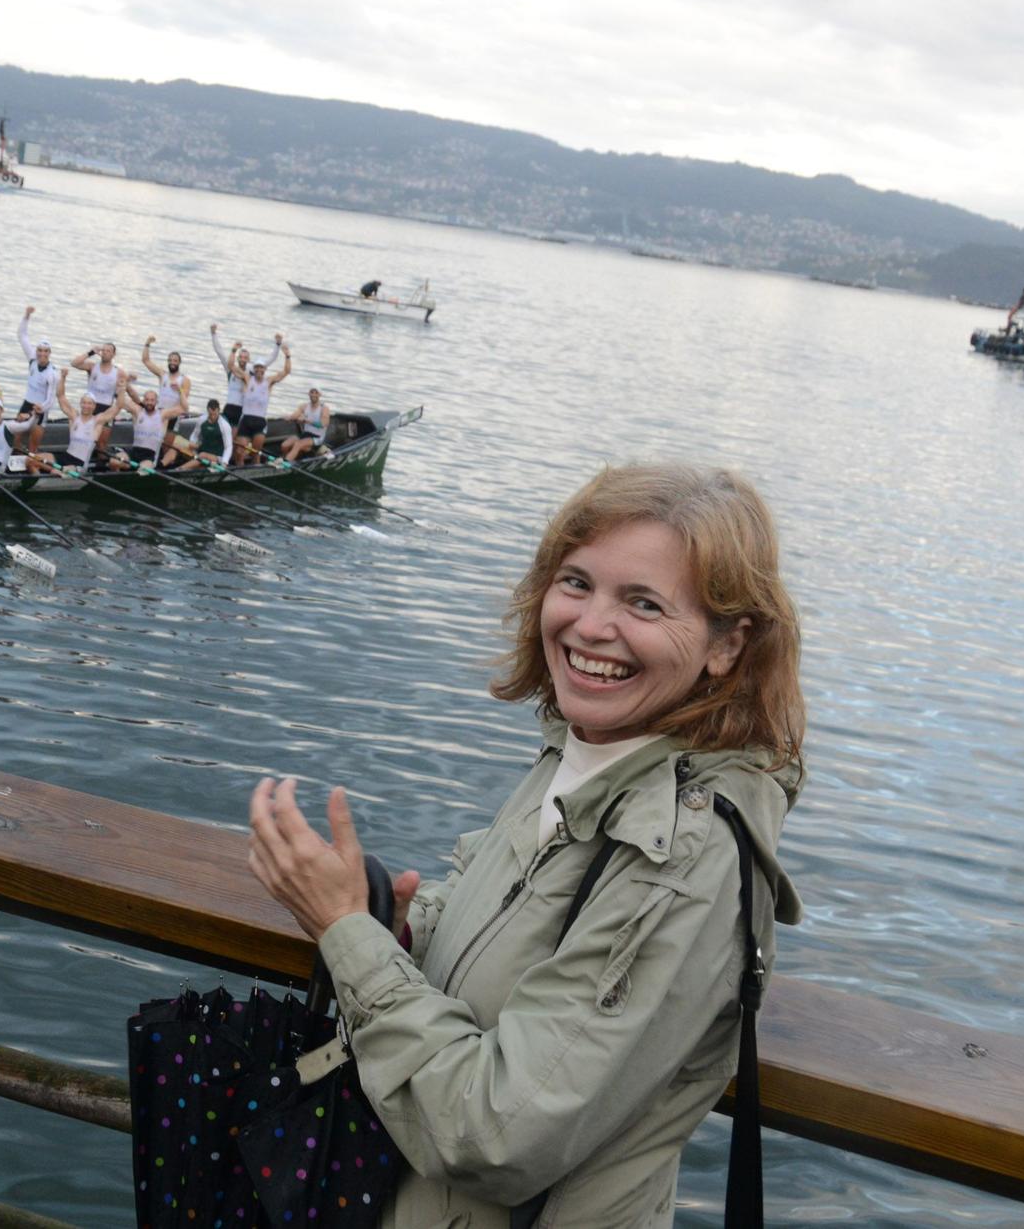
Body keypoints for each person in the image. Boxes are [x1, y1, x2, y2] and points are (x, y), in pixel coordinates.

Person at [247, 463, 805, 1229]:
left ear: (728, 645)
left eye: (643, 602)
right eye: (576, 582)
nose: (590, 625)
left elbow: (493, 1136)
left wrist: (348, 935)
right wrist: (399, 928)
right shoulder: (588, 753)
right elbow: (515, 951)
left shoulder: (681, 856)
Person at [13, 306, 62, 457]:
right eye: (40, 350)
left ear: (49, 353)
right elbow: (22, 335)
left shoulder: (52, 374)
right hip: (27, 403)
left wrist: (37, 411)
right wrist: (26, 316)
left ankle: (31, 459)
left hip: (40, 408)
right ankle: (15, 458)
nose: (42, 354)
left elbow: (51, 399)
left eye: (45, 351)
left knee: (33, 446)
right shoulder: (32, 359)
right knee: (15, 440)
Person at [234, 338, 292, 465]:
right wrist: (234, 350)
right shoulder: (247, 379)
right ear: (254, 369)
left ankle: (255, 473)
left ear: (265, 370)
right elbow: (230, 366)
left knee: (255, 454)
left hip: (260, 423)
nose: (259, 370)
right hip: (246, 421)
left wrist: (287, 355)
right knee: (239, 453)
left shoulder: (269, 381)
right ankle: (241, 474)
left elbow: (287, 371)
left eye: (262, 368)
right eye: (257, 367)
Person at [53, 377, 129, 471]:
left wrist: (122, 389)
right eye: (84, 403)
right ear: (80, 404)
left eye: (89, 403)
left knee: (58, 470)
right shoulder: (74, 417)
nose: (86, 406)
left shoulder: (97, 421)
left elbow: (118, 406)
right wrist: (63, 377)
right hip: (66, 457)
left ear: (94, 406)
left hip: (80, 464)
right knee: (36, 460)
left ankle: (57, 472)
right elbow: (61, 396)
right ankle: (44, 474)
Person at [111, 378, 189, 469]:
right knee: (114, 461)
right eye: (147, 400)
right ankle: (126, 470)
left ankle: (132, 469)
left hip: (150, 456)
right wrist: (122, 386)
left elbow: (184, 408)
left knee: (143, 470)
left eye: (152, 400)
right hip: (134, 451)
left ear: (156, 402)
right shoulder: (137, 411)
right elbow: (120, 400)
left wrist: (180, 390)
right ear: (144, 401)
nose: (149, 402)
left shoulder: (163, 415)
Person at [71, 339, 128, 458]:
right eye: (103, 350)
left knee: (102, 444)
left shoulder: (119, 372)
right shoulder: (92, 367)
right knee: (85, 440)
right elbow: (74, 363)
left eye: (108, 351)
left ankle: (100, 465)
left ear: (113, 354)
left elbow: (121, 392)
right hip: (90, 407)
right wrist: (91, 352)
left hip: (106, 409)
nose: (105, 352)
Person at [140, 337, 192, 461]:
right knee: (154, 439)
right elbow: (146, 360)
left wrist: (179, 390)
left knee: (166, 444)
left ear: (179, 363)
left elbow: (184, 403)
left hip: (173, 416)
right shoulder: (162, 375)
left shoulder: (184, 380)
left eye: (175, 360)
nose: (172, 362)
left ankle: (165, 463)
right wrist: (147, 343)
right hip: (159, 414)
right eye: (170, 360)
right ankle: (151, 460)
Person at [176, 397, 237, 471]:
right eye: (211, 414)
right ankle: (164, 465)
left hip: (218, 456)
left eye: (215, 414)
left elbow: (228, 447)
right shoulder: (202, 420)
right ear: (207, 410)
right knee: (178, 448)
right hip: (202, 451)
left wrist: (224, 462)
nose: (213, 416)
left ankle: (179, 469)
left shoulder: (224, 425)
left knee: (203, 455)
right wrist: (192, 443)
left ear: (218, 411)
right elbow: (195, 435)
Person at [279, 386, 331, 462]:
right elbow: (295, 416)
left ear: (320, 395)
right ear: (308, 394)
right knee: (284, 445)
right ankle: (285, 460)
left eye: (316, 392)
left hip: (317, 438)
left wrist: (306, 421)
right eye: (311, 392)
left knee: (298, 444)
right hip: (305, 435)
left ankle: (285, 463)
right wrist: (289, 417)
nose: (313, 395)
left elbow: (323, 424)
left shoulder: (324, 408)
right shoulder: (304, 406)